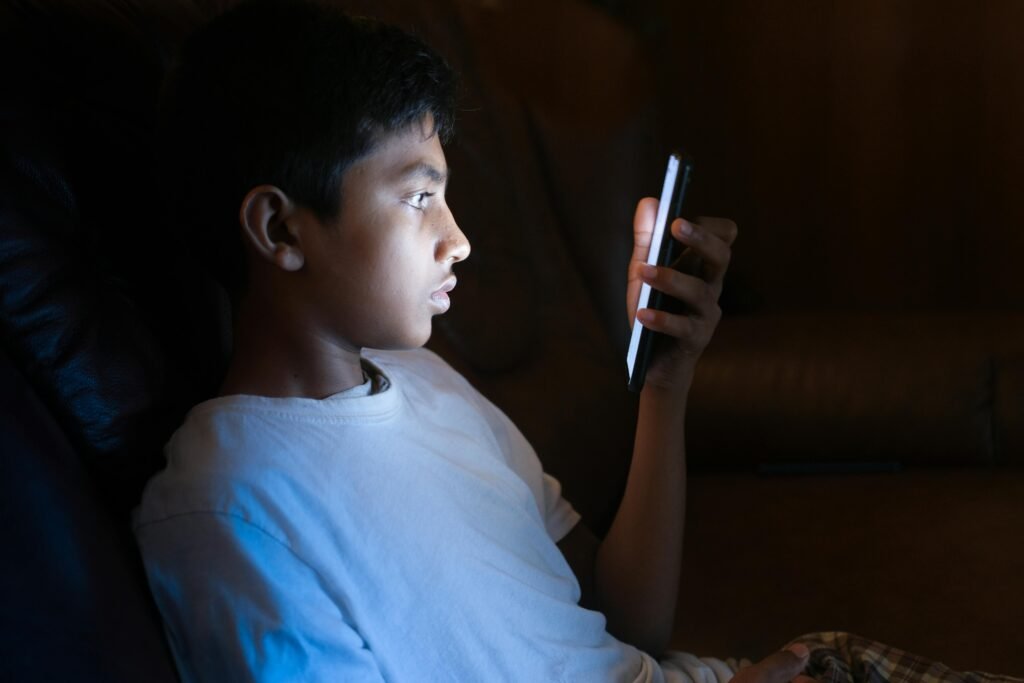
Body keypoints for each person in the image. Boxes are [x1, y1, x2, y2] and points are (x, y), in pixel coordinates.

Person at [131, 1, 1021, 682]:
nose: (458, 237)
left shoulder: (431, 386)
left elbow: (627, 625)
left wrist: (665, 386)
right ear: (280, 229)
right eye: (414, 196)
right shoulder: (225, 503)